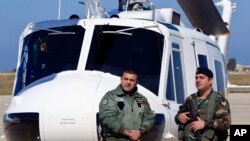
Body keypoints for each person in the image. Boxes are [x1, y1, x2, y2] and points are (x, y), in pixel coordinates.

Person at [175, 67, 231, 141]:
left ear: (210, 81)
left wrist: (205, 124)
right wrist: (179, 117)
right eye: (196, 78)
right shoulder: (190, 99)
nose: (198, 80)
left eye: (202, 78)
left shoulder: (219, 100)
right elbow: (179, 115)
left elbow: (225, 123)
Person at [99, 70, 155, 141]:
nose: (128, 82)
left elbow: (149, 117)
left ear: (136, 83)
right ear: (121, 80)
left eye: (132, 80)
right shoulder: (110, 97)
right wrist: (129, 133)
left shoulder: (142, 99)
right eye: (126, 79)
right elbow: (107, 118)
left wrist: (140, 132)